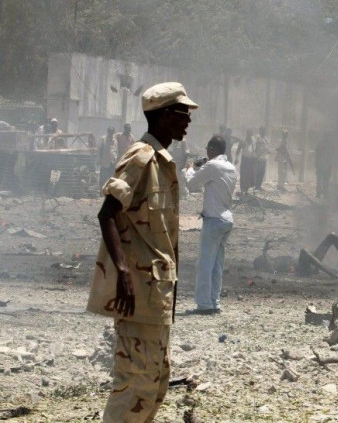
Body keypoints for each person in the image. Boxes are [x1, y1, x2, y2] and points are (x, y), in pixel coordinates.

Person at [87, 81, 198, 422]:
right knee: (135, 384)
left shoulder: (162, 162)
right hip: (138, 292)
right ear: (164, 117)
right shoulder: (140, 157)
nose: (188, 121)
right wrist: (122, 272)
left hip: (157, 292)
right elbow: (108, 212)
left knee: (155, 382)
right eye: (183, 113)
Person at [184, 135, 237, 315]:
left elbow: (191, 183)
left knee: (205, 264)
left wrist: (190, 168)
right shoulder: (231, 167)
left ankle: (204, 304)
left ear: (212, 149)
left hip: (214, 219)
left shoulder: (212, 166)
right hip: (226, 219)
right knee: (217, 265)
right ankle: (214, 301)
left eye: (208, 148)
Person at [236, 129, 256, 194]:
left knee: (250, 174)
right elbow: (238, 149)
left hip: (251, 160)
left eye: (251, 134)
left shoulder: (253, 141)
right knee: (243, 174)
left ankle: (246, 189)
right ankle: (242, 189)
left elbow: (254, 150)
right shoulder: (243, 141)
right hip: (244, 159)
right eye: (249, 133)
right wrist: (236, 158)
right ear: (247, 134)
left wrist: (254, 157)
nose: (250, 135)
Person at [98, 126, 117, 192]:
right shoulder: (103, 139)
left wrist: (115, 159)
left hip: (112, 162)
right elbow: (99, 150)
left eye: (112, 132)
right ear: (108, 132)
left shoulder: (115, 140)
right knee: (103, 178)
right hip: (104, 161)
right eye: (110, 132)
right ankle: (101, 192)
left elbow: (115, 150)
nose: (111, 133)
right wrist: (99, 160)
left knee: (111, 177)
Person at [315, 134, 334, 199]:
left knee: (319, 180)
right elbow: (331, 157)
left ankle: (318, 193)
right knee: (325, 180)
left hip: (321, 165)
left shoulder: (320, 144)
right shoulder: (330, 146)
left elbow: (317, 155)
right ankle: (325, 193)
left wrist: (316, 164)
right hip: (326, 165)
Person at [254, 126, 270, 190]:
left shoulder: (265, 139)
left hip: (264, 158)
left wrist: (267, 151)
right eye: (262, 130)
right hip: (259, 158)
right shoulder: (258, 138)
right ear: (260, 131)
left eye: (264, 131)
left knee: (262, 173)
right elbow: (255, 147)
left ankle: (259, 186)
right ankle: (256, 186)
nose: (264, 132)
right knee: (258, 173)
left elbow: (266, 147)